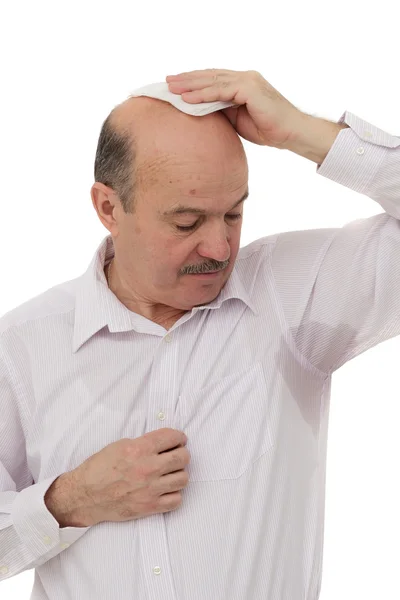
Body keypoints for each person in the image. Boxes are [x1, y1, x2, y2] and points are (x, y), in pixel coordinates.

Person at [0, 68, 399, 600]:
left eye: (233, 213)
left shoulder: (293, 296)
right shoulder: (22, 345)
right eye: (187, 223)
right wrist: (68, 502)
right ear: (108, 208)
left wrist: (304, 132)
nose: (218, 248)